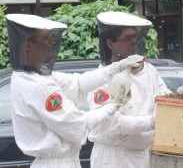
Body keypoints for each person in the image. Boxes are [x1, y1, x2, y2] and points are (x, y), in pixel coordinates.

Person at [5, 13, 141, 168]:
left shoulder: (31, 76)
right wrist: (113, 105)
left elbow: (79, 83)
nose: (52, 41)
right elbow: (77, 124)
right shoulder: (37, 86)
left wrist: (115, 67)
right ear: (28, 45)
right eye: (45, 38)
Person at [87, 11, 172, 168]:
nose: (134, 42)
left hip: (144, 155)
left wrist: (181, 96)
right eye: (127, 38)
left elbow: (164, 98)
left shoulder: (150, 70)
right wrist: (150, 122)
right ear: (110, 44)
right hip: (114, 158)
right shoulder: (102, 79)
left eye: (134, 36)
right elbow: (109, 124)